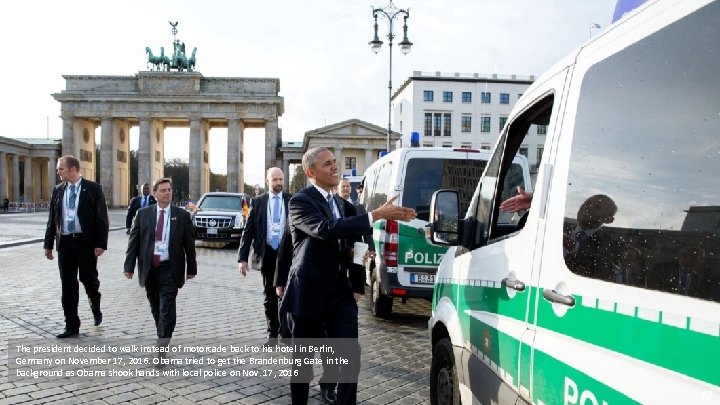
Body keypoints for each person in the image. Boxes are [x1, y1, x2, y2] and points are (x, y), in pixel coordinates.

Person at [281, 147, 416, 405]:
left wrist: (357, 258)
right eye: (327, 164)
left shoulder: (344, 205)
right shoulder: (300, 201)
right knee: (303, 366)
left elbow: (349, 244)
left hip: (339, 294)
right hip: (307, 293)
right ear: (311, 172)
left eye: (335, 161)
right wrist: (376, 214)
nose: (335, 167)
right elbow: (326, 230)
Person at [123, 178, 197, 358]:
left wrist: (192, 268)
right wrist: (129, 266)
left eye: (169, 190)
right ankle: (162, 333)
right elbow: (134, 242)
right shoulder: (143, 214)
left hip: (170, 268)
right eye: (163, 190)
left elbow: (189, 245)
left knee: (167, 308)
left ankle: (162, 345)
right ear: (155, 193)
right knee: (156, 307)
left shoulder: (182, 216)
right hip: (149, 268)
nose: (167, 193)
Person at [43, 155, 109, 338]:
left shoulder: (93, 189)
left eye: (60, 168)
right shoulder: (57, 191)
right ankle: (71, 325)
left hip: (85, 244)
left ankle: (95, 306)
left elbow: (102, 219)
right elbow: (52, 220)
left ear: (73, 169)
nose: (57, 172)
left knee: (89, 280)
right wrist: (48, 245)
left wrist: (100, 244)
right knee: (68, 286)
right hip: (65, 243)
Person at [237, 167, 291, 343]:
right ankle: (272, 333)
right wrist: (243, 258)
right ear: (267, 181)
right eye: (274, 180)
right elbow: (248, 230)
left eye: (281, 180)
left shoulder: (291, 201)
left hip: (287, 255)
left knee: (287, 293)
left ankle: (286, 332)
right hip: (267, 253)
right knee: (269, 295)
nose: (278, 183)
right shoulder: (258, 201)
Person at [562, 194, 620, 280]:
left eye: (597, 207)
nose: (587, 207)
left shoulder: (610, 245)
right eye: (587, 202)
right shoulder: (559, 226)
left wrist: (575, 247)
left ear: (608, 219)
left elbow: (601, 271)